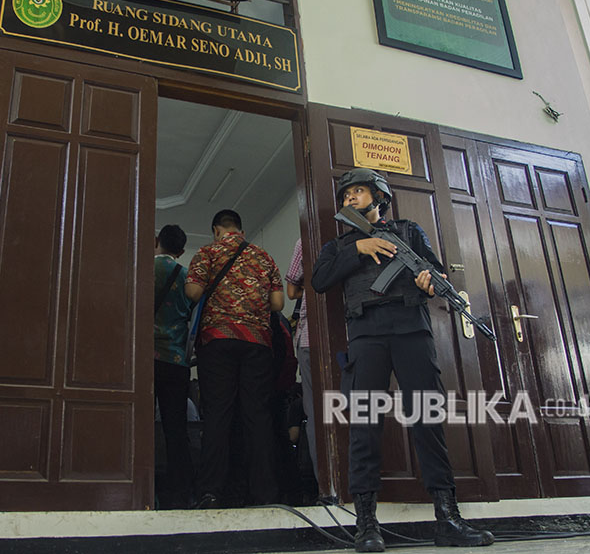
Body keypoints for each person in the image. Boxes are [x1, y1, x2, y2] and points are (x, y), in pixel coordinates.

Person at [311, 169, 494, 552]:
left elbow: (434, 269)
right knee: (365, 424)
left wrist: (431, 280)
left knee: (428, 420)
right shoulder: (338, 245)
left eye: (358, 192)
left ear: (379, 197)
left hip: (412, 329)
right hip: (367, 334)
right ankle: (366, 525)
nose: (349, 199)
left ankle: (448, 518)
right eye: (345, 195)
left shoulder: (409, 232)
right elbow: (319, 280)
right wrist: (358, 249)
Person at [185, 209, 284, 508]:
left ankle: (211, 492)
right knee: (257, 416)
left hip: (218, 341)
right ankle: (265, 494)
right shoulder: (264, 257)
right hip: (257, 343)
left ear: (217, 229)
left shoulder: (207, 252)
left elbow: (193, 292)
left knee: (218, 415)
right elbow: (278, 303)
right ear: (240, 229)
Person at [153, 224, 194, 509]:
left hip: (144, 360)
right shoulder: (187, 277)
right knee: (176, 430)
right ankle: (183, 494)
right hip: (176, 361)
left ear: (156, 242)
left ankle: (143, 490)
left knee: (139, 426)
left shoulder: (142, 269)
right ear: (180, 251)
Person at [285, 237, 319, 484]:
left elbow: (291, 291)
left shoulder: (306, 240)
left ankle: (326, 484)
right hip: (357, 334)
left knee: (316, 413)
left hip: (310, 338)